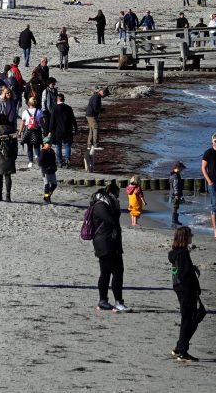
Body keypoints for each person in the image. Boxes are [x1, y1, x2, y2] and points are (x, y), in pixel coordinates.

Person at [90, 182, 130, 312]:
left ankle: (103, 301)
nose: (117, 198)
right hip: (106, 243)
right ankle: (118, 302)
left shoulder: (104, 204)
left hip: (106, 243)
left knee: (106, 273)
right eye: (116, 195)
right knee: (118, 272)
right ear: (110, 193)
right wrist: (116, 208)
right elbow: (112, 221)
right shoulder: (101, 205)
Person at [169, 226, 205, 362]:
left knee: (194, 316)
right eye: (190, 235)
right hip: (186, 289)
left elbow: (182, 269)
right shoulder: (182, 253)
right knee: (190, 318)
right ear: (185, 238)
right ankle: (182, 350)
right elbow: (184, 275)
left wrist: (192, 267)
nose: (192, 237)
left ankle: (180, 347)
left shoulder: (179, 252)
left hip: (181, 288)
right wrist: (196, 288)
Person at [51, 92, 77, 168]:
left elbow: (52, 121)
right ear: (64, 99)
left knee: (58, 146)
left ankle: (59, 162)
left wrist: (49, 131)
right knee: (67, 146)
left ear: (57, 100)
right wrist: (75, 128)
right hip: (68, 130)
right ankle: (68, 160)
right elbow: (73, 119)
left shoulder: (54, 108)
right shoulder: (69, 108)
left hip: (58, 131)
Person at [17, 96, 44, 168]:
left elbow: (22, 123)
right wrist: (44, 130)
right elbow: (42, 122)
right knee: (37, 145)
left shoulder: (25, 112)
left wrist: (20, 132)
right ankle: (37, 156)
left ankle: (30, 162)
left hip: (28, 130)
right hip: (37, 130)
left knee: (29, 147)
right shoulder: (39, 111)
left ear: (28, 103)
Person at [84, 86, 108, 158]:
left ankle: (89, 145)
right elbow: (95, 108)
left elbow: (95, 107)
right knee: (95, 128)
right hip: (91, 115)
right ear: (102, 92)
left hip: (90, 115)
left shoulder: (96, 96)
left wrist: (100, 110)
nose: (105, 96)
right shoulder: (96, 97)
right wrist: (101, 110)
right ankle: (95, 144)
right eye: (105, 95)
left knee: (92, 129)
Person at [38, 136, 58, 204]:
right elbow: (40, 162)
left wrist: (54, 166)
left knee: (54, 185)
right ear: (44, 143)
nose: (50, 144)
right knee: (46, 185)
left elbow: (54, 160)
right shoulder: (43, 151)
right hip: (45, 171)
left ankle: (47, 196)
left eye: (50, 143)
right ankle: (46, 198)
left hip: (52, 170)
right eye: (48, 143)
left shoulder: (51, 151)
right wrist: (45, 167)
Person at [169, 161, 186, 227]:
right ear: (178, 168)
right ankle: (174, 221)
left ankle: (175, 220)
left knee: (176, 207)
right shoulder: (175, 175)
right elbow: (175, 185)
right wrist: (176, 194)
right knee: (175, 206)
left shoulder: (173, 174)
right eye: (181, 169)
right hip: (175, 194)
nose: (182, 170)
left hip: (174, 193)